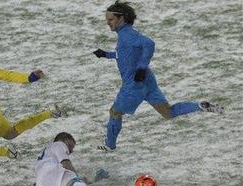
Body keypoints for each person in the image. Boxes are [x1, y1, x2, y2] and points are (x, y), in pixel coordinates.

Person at [93, 1, 224, 151]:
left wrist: (141, 67)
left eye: (110, 19)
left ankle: (110, 146)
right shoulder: (128, 33)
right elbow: (125, 54)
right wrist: (106, 54)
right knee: (168, 112)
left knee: (115, 112)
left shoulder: (126, 35)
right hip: (148, 81)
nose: (107, 23)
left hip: (134, 84)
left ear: (121, 18)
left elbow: (149, 44)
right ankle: (200, 106)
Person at [35, 132, 102, 186]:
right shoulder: (58, 144)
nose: (71, 151)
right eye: (71, 146)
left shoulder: (45, 155)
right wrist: (78, 179)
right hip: (50, 172)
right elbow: (66, 163)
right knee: (78, 184)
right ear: (64, 139)